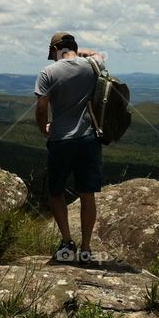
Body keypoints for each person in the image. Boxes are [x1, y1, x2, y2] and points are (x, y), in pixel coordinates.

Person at [35, 31, 105, 264]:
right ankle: (86, 248)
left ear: (56, 50)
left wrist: (43, 128)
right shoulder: (91, 65)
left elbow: (42, 107)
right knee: (87, 194)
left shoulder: (48, 73)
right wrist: (80, 52)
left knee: (56, 193)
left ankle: (67, 242)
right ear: (73, 47)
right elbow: (99, 53)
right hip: (89, 138)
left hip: (61, 140)